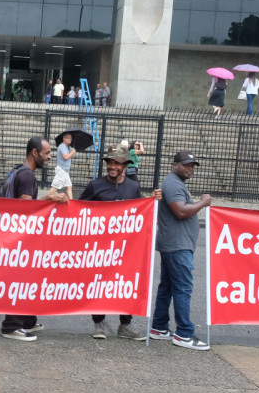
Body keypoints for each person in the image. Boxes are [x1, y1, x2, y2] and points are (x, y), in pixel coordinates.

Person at [79, 148, 162, 341]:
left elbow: (141, 213)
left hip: (126, 248)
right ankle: (98, 323)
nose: (112, 166)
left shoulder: (133, 187)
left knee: (125, 283)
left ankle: (125, 325)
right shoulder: (95, 185)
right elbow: (80, 210)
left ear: (125, 166)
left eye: (116, 163)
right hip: (100, 248)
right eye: (109, 163)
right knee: (99, 283)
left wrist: (153, 201)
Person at [0, 136, 69, 341]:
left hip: (12, 235)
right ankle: (11, 326)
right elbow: (24, 209)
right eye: (47, 153)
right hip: (19, 238)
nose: (50, 157)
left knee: (29, 277)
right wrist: (49, 199)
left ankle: (28, 320)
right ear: (34, 153)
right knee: (21, 279)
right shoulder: (28, 176)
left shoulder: (17, 170)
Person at [149, 150, 212, 351]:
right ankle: (184, 333)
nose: (190, 169)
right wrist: (203, 201)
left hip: (174, 244)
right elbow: (181, 211)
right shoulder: (173, 184)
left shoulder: (174, 183)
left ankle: (159, 327)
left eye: (193, 166)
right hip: (177, 246)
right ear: (174, 164)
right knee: (183, 287)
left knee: (167, 286)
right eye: (186, 165)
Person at [53, 132, 76, 201]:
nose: (70, 139)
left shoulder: (67, 147)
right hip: (62, 170)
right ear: (64, 139)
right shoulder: (62, 146)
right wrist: (72, 152)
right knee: (55, 187)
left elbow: (69, 157)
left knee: (69, 186)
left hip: (65, 170)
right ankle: (46, 199)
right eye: (68, 138)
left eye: (71, 138)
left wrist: (72, 152)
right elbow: (65, 157)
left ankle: (71, 202)